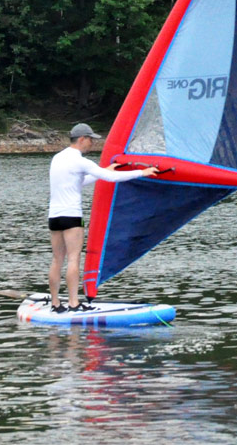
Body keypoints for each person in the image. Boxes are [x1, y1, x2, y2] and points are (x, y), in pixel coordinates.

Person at [48, 123, 159, 313]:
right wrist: (142, 172)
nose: (92, 143)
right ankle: (74, 304)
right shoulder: (80, 161)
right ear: (81, 139)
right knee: (73, 259)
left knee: (57, 260)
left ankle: (55, 303)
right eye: (90, 139)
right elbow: (111, 178)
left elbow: (79, 183)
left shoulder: (57, 158)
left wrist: (105, 170)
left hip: (54, 217)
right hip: (72, 217)